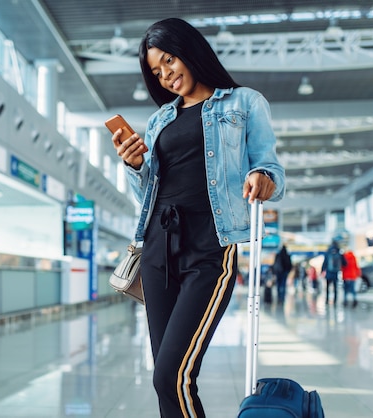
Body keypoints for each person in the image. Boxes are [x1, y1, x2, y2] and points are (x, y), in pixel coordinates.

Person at [110, 18, 285, 417]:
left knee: (171, 375)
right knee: (165, 378)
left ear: (190, 50)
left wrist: (262, 176)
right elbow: (147, 194)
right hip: (157, 249)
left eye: (169, 60)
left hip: (210, 247)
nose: (166, 75)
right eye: (157, 71)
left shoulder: (244, 103)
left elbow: (270, 167)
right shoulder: (160, 121)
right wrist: (136, 165)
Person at [321, 240, 346, 305]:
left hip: (329, 273)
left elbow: (324, 263)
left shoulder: (328, 251)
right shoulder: (339, 251)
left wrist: (322, 270)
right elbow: (345, 263)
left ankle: (327, 300)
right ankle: (335, 300)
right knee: (335, 288)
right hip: (335, 273)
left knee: (327, 287)